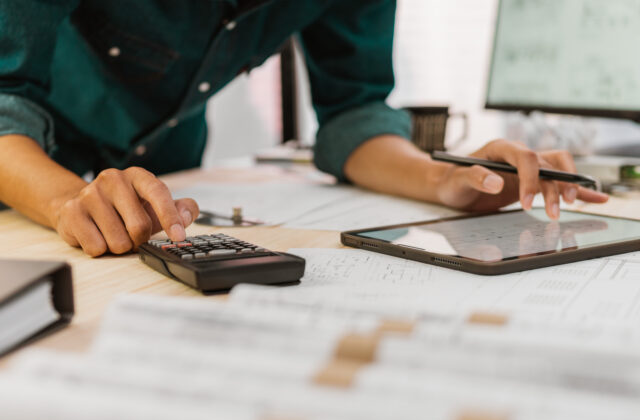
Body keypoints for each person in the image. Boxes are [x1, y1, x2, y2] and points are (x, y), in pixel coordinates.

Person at [0, 1, 608, 257]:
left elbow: (354, 113)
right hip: (23, 177)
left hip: (166, 172)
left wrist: (446, 179)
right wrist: (63, 199)